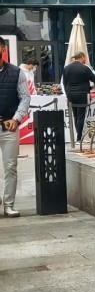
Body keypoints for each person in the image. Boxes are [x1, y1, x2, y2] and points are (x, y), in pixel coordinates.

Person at [0, 36, 30, 217]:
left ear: (3, 49)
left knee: (10, 166)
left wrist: (17, 119)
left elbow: (25, 97)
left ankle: (8, 204)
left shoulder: (16, 72)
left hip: (8, 128)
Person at [62, 52, 95, 142]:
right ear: (82, 57)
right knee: (81, 116)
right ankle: (79, 137)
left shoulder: (67, 68)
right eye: (85, 58)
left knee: (75, 116)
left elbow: (64, 82)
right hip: (82, 93)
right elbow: (94, 79)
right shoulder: (84, 68)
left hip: (70, 93)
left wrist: (67, 94)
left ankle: (77, 136)